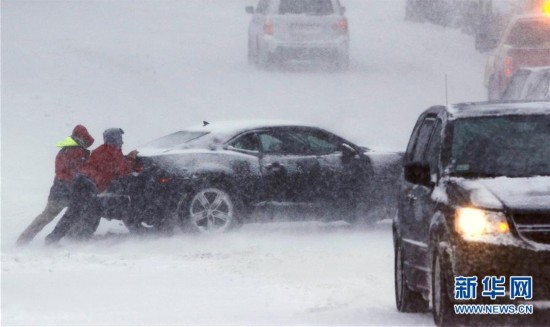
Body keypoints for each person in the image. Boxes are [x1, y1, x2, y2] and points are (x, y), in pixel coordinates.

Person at [45, 128, 139, 244]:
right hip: (88, 186)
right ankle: (77, 239)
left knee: (74, 213)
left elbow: (110, 165)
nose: (122, 142)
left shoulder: (101, 150)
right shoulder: (113, 151)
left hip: (79, 182)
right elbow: (122, 169)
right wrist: (131, 159)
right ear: (116, 139)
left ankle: (54, 238)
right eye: (120, 139)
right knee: (97, 210)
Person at [16, 125, 95, 246]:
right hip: (71, 189)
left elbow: (63, 171)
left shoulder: (65, 149)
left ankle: (24, 239)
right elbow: (81, 171)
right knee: (76, 214)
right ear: (82, 136)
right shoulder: (77, 151)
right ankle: (66, 240)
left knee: (46, 217)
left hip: (58, 189)